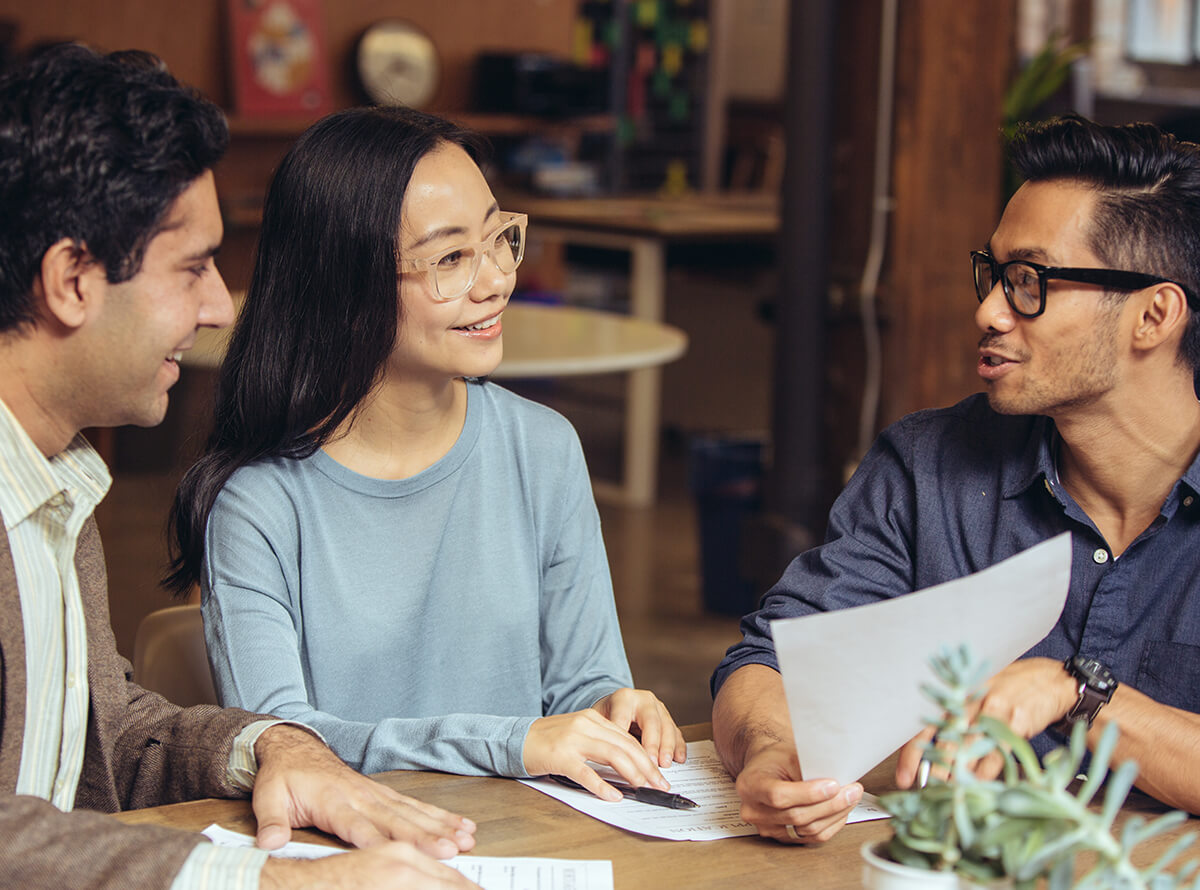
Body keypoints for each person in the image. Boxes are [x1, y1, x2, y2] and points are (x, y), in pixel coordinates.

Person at [0, 44, 480, 890]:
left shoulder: (53, 478)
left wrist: (274, 749)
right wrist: (270, 882)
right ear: (72, 279)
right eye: (192, 269)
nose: (221, 307)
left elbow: (106, 734)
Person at [167, 104, 686, 801]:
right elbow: (282, 742)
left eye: (499, 237)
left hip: (534, 847)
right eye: (450, 257)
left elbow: (582, 683)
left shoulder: (544, 449)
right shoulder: (259, 502)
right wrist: (511, 742)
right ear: (344, 281)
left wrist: (616, 710)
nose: (496, 279)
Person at [711, 114, 1200, 845]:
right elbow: (769, 660)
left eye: (1030, 282)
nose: (989, 310)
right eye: (994, 274)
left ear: (1153, 314)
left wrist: (1081, 696)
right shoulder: (928, 465)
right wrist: (775, 752)